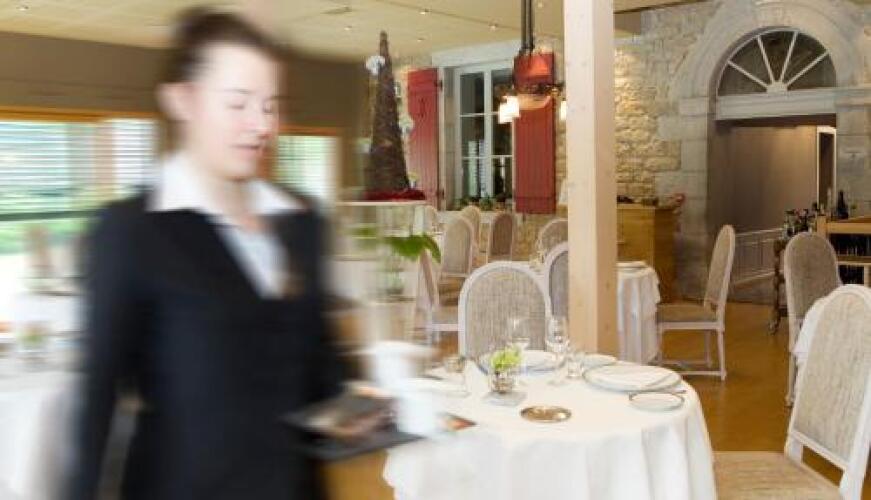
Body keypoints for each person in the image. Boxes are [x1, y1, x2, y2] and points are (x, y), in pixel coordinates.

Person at [67, 8, 343, 499]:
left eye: (270, 105)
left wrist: (374, 406)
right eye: (238, 103)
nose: (261, 124)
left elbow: (323, 375)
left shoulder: (302, 223)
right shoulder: (132, 232)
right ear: (182, 100)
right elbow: (96, 409)